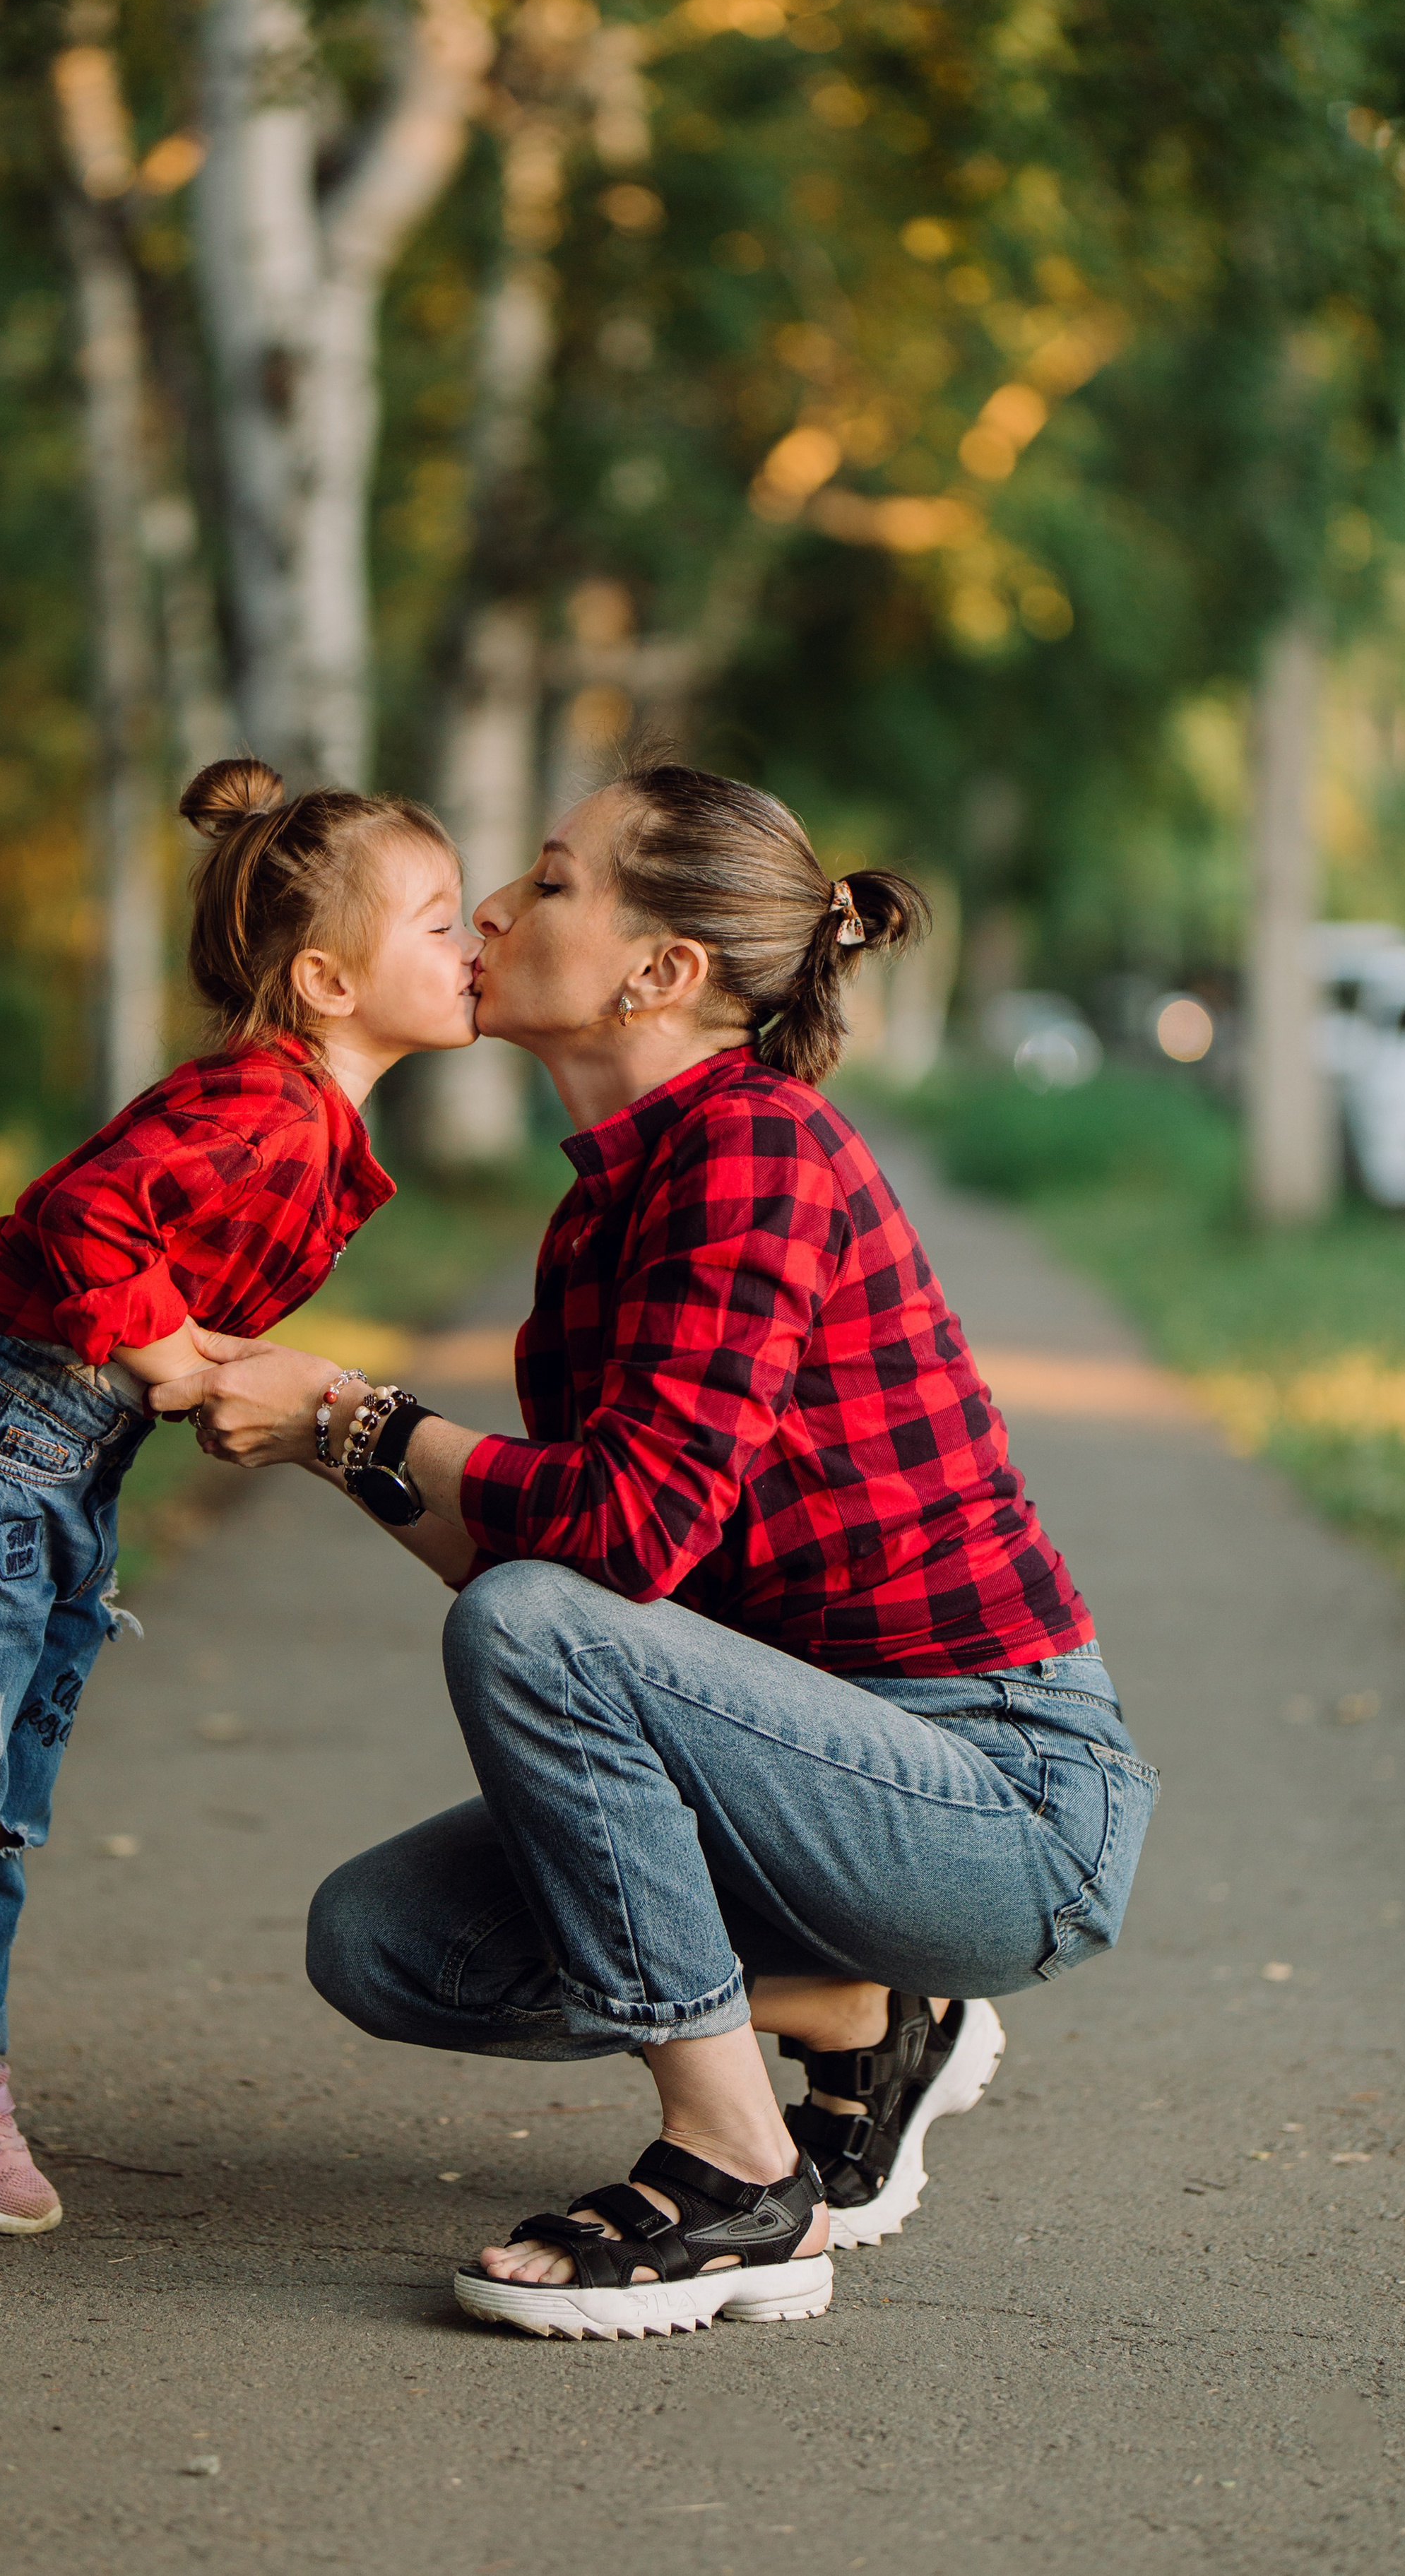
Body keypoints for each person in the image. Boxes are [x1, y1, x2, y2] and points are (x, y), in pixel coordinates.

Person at [150, 761, 1158, 2342]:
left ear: (661, 970)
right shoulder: (606, 1209)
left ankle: (737, 2176)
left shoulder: (755, 1148)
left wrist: (357, 1410)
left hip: (1002, 1799)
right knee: (387, 1944)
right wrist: (323, 1442)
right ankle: (861, 2009)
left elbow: (607, 1542)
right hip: (802, 1772)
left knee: (535, 1617)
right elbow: (578, 1588)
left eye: (549, 882)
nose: (492, 910)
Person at [0, 758, 479, 2272]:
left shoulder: (305, 1120)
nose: (472, 940)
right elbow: (84, 1212)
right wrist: (166, 1355)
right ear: (327, 979)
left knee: (0, 1813)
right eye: (439, 920)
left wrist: (203, 1361)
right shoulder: (266, 1105)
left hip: (56, 1468)